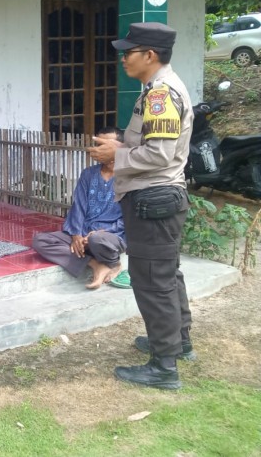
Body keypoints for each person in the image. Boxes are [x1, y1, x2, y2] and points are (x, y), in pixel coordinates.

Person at [89, 22, 194, 390]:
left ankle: (164, 367)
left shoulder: (160, 94)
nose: (122, 59)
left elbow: (160, 153)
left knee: (152, 282)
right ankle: (177, 342)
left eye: (128, 52)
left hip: (153, 198)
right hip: (160, 198)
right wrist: (120, 146)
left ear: (150, 55)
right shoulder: (157, 89)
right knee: (166, 275)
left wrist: (117, 154)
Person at [32, 127, 126, 290]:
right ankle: (95, 264)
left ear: (120, 146)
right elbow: (79, 206)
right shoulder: (88, 174)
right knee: (40, 240)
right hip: (83, 232)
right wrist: (76, 235)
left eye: (108, 144)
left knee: (97, 239)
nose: (103, 149)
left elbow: (128, 219)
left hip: (111, 236)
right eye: (100, 144)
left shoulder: (129, 176)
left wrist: (97, 234)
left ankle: (113, 263)